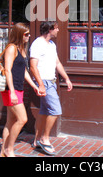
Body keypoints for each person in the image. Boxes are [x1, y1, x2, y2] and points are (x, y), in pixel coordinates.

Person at [30, 21, 73, 155]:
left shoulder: (52, 45)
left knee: (44, 111)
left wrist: (66, 78)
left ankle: (36, 140)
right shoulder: (37, 43)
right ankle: (45, 138)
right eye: (56, 28)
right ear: (49, 30)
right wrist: (40, 84)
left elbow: (57, 63)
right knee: (55, 110)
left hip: (51, 82)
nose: (58, 30)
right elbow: (32, 66)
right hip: (43, 82)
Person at [0, 22, 39, 157]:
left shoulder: (21, 49)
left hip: (18, 88)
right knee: (22, 119)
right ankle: (9, 149)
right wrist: (11, 91)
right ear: (18, 34)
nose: (29, 36)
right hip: (11, 89)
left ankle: (2, 152)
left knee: (10, 122)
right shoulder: (11, 48)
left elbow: (24, 71)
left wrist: (34, 86)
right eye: (26, 34)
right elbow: (8, 71)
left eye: (29, 34)